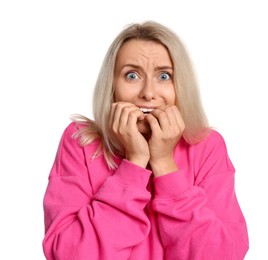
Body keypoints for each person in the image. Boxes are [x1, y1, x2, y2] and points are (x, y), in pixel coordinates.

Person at [42, 21, 249, 259]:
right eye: (132, 75)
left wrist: (164, 163)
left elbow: (222, 254)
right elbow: (69, 254)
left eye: (164, 76)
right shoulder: (81, 141)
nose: (148, 93)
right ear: (112, 87)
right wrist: (135, 162)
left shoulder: (206, 146)